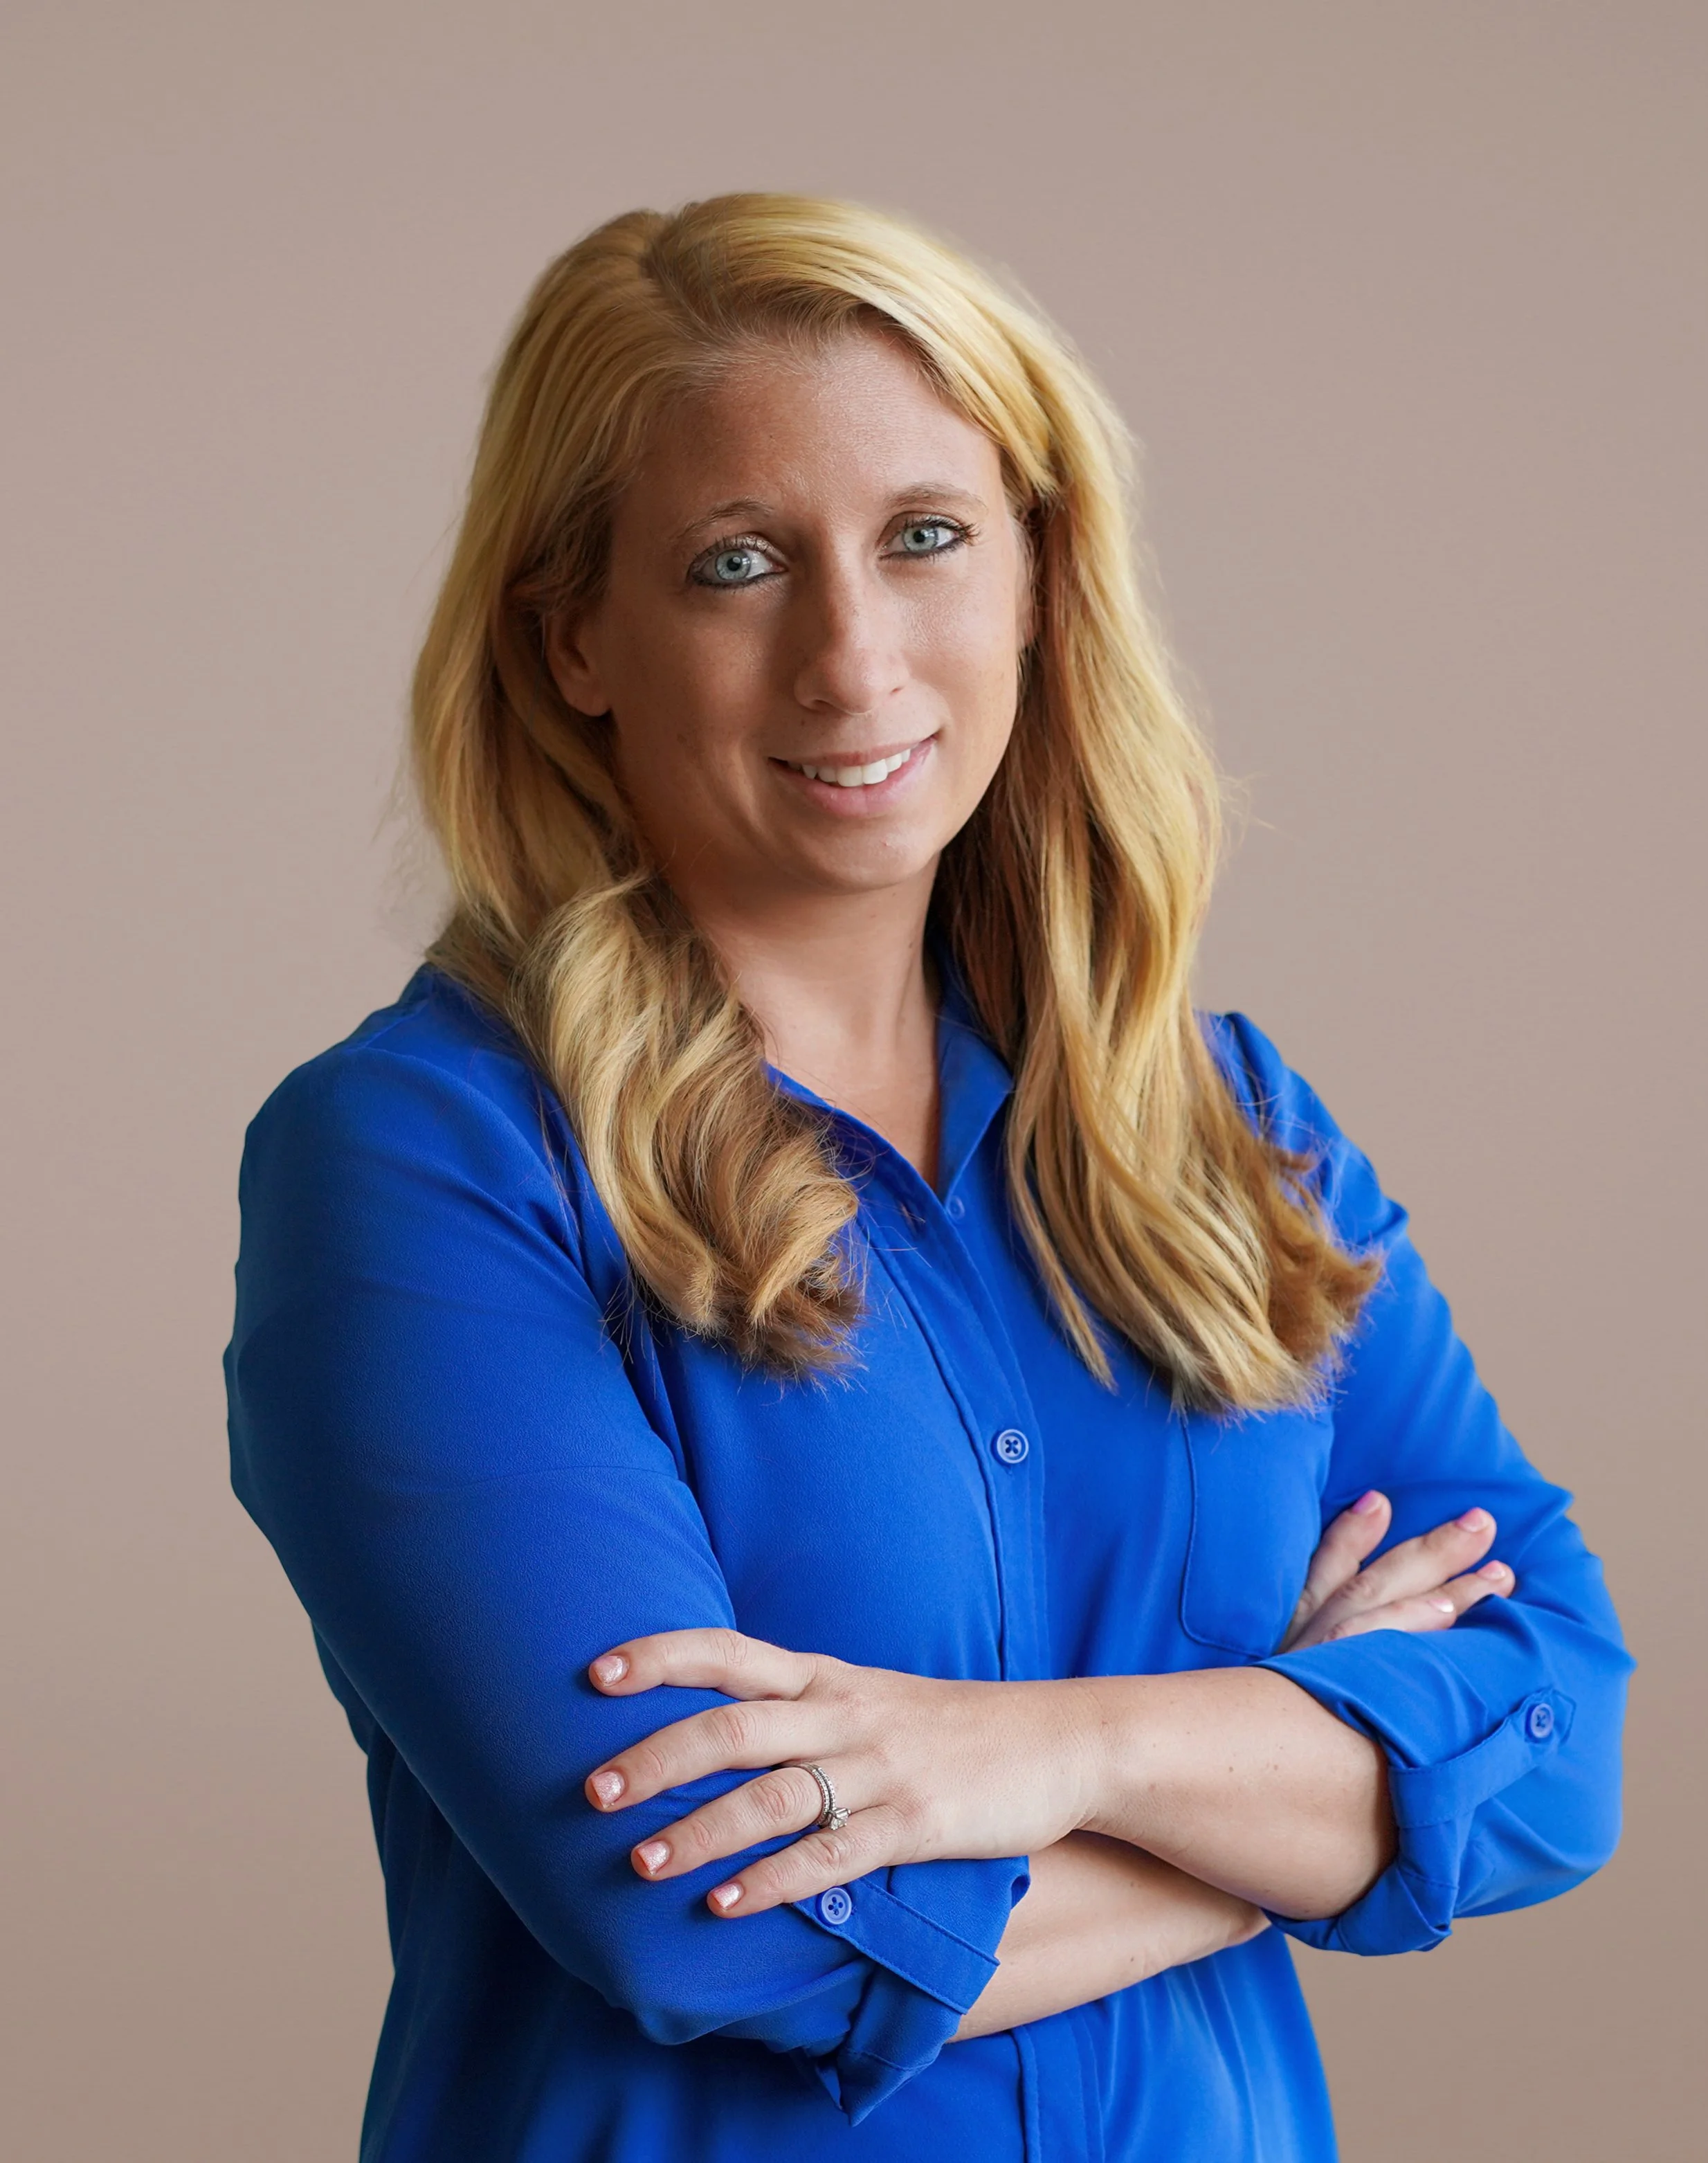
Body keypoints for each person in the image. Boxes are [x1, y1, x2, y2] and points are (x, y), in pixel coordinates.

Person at [225, 194, 1630, 2162]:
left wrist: (1047, 1753)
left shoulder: (1226, 1127)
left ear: (1043, 574)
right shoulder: (419, 1168)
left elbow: (1559, 1736)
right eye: (734, 565)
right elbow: (721, 1932)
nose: (849, 655)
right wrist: (1308, 1789)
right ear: (575, 642)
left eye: (925, 537)